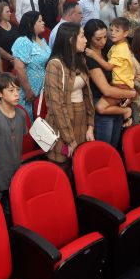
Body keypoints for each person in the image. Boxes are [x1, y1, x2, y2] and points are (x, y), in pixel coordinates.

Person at [44, 23, 94, 174]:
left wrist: (90, 126)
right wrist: (69, 139)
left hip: (81, 120)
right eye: (82, 36)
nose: (86, 40)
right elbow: (56, 105)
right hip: (62, 124)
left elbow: (88, 96)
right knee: (60, 170)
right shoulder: (55, 65)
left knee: (79, 170)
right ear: (71, 39)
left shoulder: (80, 60)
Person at [0, 72, 27, 220]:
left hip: (15, 171)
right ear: (0, 93)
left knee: (16, 210)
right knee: (0, 213)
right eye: (11, 90)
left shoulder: (21, 114)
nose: (16, 94)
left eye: (18, 90)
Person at [83, 20, 135, 146]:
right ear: (89, 38)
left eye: (105, 37)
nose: (103, 41)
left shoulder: (111, 47)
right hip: (101, 101)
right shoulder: (88, 56)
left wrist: (128, 93)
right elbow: (106, 90)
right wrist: (132, 94)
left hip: (116, 100)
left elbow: (126, 70)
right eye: (98, 39)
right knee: (105, 146)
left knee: (115, 144)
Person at [11, 11, 51, 120]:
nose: (43, 23)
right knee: (29, 120)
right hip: (28, 91)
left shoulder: (42, 40)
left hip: (42, 89)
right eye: (40, 21)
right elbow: (19, 68)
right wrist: (28, 90)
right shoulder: (23, 41)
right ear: (30, 24)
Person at [0, 2, 19, 68]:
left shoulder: (13, 24)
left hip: (19, 59)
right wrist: (11, 58)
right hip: (5, 62)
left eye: (9, 11)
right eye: (7, 12)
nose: (10, 13)